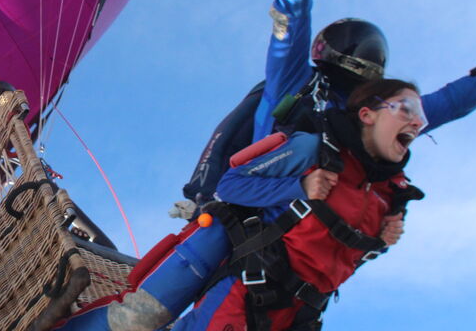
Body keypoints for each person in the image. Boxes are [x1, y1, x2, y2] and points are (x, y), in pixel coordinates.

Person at [178, 0, 476, 218]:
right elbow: (449, 102)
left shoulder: (340, 101)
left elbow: (292, 12)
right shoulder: (313, 90)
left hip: (284, 235)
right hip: (258, 218)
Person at [172, 78, 424, 330]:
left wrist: (382, 242)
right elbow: (230, 186)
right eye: (407, 108)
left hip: (302, 317)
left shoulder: (391, 194)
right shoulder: (312, 149)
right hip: (245, 297)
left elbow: (341, 255)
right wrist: (299, 187)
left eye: (421, 114)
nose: (418, 122)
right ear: (367, 115)